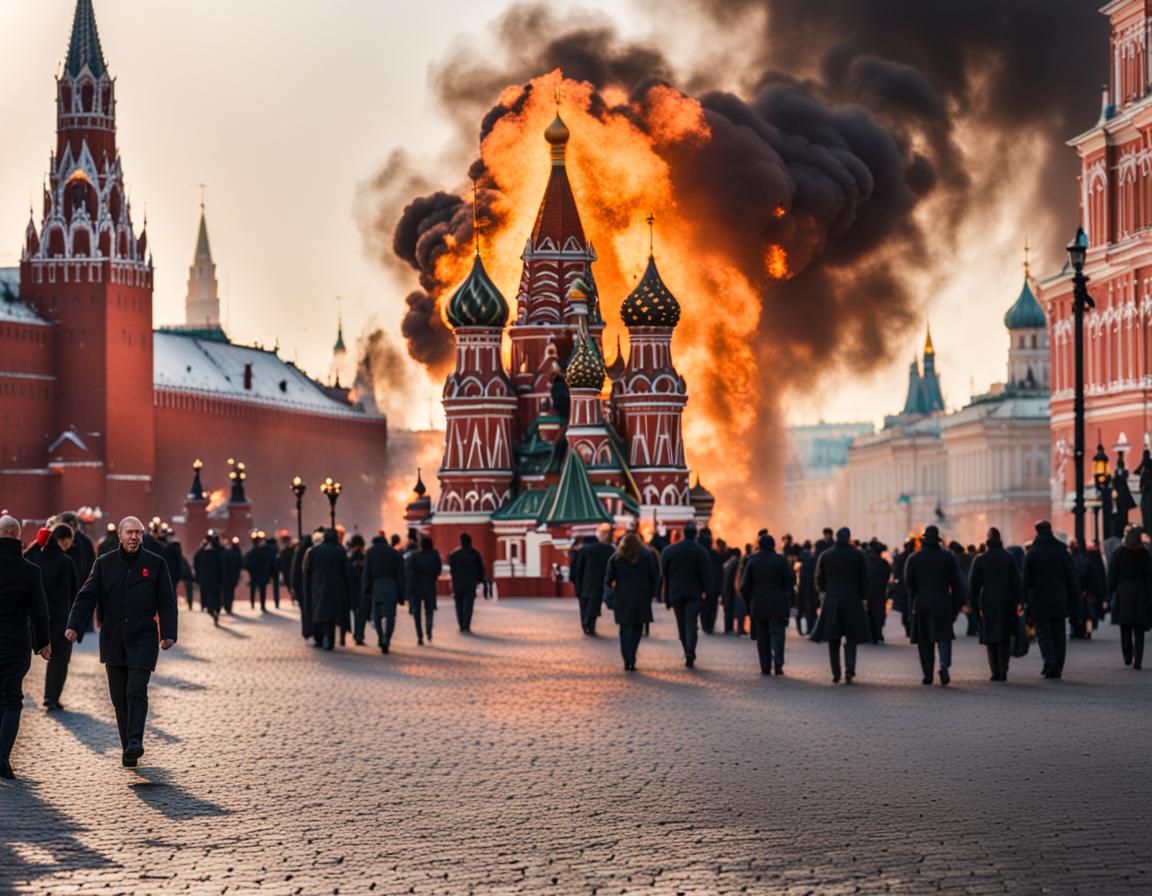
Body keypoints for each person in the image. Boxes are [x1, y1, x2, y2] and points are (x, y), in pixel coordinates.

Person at [65, 516, 178, 768]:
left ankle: (135, 741)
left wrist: (168, 633)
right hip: (114, 637)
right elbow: (86, 596)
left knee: (136, 689)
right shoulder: (104, 564)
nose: (134, 537)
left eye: (138, 532)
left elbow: (167, 601)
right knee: (119, 698)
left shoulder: (155, 563)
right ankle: (128, 746)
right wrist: (74, 625)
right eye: (130, 532)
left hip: (144, 636)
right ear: (120, 535)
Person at [0, 515, 51, 779]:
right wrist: (43, 642)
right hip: (15, 643)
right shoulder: (29, 570)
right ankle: (2, 756)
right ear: (18, 535)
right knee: (11, 699)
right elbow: (39, 611)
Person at [905, 525, 966, 686]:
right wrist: (957, 606)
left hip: (922, 603)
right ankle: (944, 664)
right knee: (944, 637)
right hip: (943, 603)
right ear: (938, 540)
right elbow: (957, 584)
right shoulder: (947, 558)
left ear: (923, 540)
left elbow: (909, 585)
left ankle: (928, 675)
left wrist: (912, 604)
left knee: (925, 641)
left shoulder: (914, 558)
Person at [811, 527, 870, 684]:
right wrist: (864, 598)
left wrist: (823, 592)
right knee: (851, 638)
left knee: (833, 638)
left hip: (832, 601)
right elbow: (864, 579)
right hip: (852, 601)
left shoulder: (826, 555)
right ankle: (849, 671)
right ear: (849, 537)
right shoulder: (858, 555)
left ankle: (835, 673)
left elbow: (818, 578)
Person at [30, 523, 79, 710]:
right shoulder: (65, 562)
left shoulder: (32, 555)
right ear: (64, 540)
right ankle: (51, 697)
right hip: (60, 619)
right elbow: (75, 593)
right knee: (59, 660)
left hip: (31, 617)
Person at [1023, 520, 1079, 680]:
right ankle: (1058, 666)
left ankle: (1049, 663)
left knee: (1043, 634)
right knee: (1059, 633)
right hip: (1060, 597)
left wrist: (1024, 600)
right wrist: (1074, 601)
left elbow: (1026, 580)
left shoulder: (1032, 552)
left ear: (1037, 532)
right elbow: (1071, 577)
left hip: (1039, 599)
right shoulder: (1061, 551)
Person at [968, 527, 1022, 681]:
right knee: (1004, 636)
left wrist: (975, 602)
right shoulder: (1010, 557)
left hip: (988, 601)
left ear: (988, 540)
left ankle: (995, 671)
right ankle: (1004, 669)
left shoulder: (981, 559)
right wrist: (1019, 601)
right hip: (1007, 601)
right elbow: (1016, 581)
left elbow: (974, 584)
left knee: (990, 637)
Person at [740, 534, 796, 675]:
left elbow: (744, 586)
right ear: (773, 545)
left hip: (759, 605)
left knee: (762, 637)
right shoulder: (781, 560)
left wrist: (749, 603)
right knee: (778, 634)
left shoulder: (752, 561)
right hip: (778, 604)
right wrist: (788, 599)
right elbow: (790, 582)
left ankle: (765, 666)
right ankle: (778, 663)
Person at [604, 531, 659, 671]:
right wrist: (652, 593)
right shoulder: (646, 556)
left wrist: (612, 592)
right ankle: (632, 656)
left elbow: (608, 580)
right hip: (642, 597)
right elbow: (654, 576)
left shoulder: (616, 558)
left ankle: (626, 657)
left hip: (623, 597)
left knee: (625, 629)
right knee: (637, 628)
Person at [659, 522, 712, 668]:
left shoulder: (670, 550)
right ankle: (690, 650)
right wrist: (707, 591)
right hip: (694, 593)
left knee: (681, 624)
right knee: (691, 623)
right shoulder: (701, 551)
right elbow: (706, 573)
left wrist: (664, 594)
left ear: (683, 533)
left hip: (676, 592)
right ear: (695, 534)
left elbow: (664, 574)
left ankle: (686, 648)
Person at [1108, 526, 1152, 670]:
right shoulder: (1144, 554)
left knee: (1125, 626)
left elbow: (1112, 575)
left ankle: (1127, 655)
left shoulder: (1118, 553)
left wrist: (1110, 593)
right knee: (1139, 629)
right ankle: (1138, 660)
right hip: (1140, 592)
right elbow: (1149, 577)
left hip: (1123, 592)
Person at [303, 528, 355, 651]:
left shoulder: (314, 550)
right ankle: (329, 638)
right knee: (331, 616)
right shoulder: (340, 551)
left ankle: (319, 638)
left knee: (318, 613)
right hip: (336, 588)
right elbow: (347, 571)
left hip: (317, 586)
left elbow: (307, 571)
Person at [362, 532, 406, 653]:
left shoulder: (370, 553)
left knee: (377, 616)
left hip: (377, 587)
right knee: (390, 616)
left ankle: (380, 636)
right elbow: (400, 575)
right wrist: (402, 594)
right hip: (391, 587)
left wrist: (366, 589)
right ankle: (387, 638)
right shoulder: (394, 553)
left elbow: (367, 573)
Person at [569, 525, 614, 636]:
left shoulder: (582, 551)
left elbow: (576, 568)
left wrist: (574, 580)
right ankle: (590, 625)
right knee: (594, 605)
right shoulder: (608, 550)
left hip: (583, 583)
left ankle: (585, 624)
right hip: (599, 583)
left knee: (584, 606)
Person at [447, 532, 487, 634]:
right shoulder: (475, 554)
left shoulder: (454, 554)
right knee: (468, 604)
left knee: (458, 604)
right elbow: (480, 569)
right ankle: (466, 624)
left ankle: (461, 623)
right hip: (470, 583)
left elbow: (452, 569)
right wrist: (480, 580)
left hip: (457, 583)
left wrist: (454, 578)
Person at [406, 535, 442, 645]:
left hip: (416, 586)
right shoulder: (435, 554)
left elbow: (409, 570)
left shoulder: (414, 555)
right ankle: (429, 631)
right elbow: (438, 569)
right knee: (429, 610)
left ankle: (419, 635)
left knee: (417, 612)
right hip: (429, 585)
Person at [193, 532, 224, 625]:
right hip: (216, 580)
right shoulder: (220, 551)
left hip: (208, 581)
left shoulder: (203, 552)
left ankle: (213, 612)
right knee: (216, 599)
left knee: (210, 600)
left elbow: (197, 565)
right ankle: (215, 613)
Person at [865, 539, 891, 643]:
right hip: (880, 591)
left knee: (869, 613)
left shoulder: (866, 561)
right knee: (879, 613)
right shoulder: (884, 563)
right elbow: (887, 577)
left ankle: (871, 634)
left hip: (868, 591)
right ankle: (877, 633)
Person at [244, 532, 276, 612]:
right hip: (259, 573)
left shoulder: (252, 552)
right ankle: (260, 605)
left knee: (257, 589)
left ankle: (255, 604)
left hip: (257, 573)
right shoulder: (261, 552)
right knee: (261, 589)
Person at [722, 547, 745, 635]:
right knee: (734, 609)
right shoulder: (736, 562)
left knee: (727, 609)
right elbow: (737, 577)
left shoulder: (728, 562)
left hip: (726, 588)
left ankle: (728, 628)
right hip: (732, 589)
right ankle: (730, 629)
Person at [221, 538, 242, 615]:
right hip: (232, 577)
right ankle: (228, 607)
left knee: (225, 591)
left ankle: (226, 605)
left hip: (225, 576)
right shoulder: (236, 555)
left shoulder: (222, 554)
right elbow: (240, 565)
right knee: (230, 592)